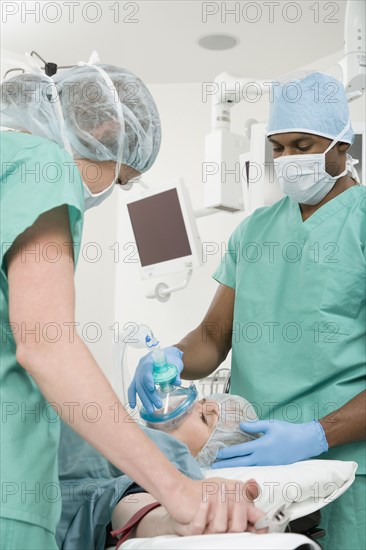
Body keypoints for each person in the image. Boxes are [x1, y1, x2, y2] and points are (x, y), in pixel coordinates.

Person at [0, 61, 259, 549]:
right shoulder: (41, 163)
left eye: (208, 414)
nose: (107, 193)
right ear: (104, 131)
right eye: (120, 178)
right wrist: (176, 488)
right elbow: (47, 346)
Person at [128, 72, 366, 550]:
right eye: (278, 148)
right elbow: (214, 335)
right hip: (249, 465)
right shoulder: (254, 231)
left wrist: (317, 434)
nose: (288, 160)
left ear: (343, 145)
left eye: (303, 145)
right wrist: (171, 356)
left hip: (347, 465)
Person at [56, 393, 263, 549]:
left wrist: (172, 520)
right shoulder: (127, 428)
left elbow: (129, 499)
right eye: (200, 401)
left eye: (204, 418)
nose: (190, 405)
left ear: (211, 452)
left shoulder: (179, 462)